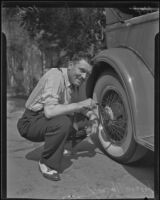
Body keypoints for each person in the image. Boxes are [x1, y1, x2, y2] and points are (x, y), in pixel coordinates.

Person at [17, 53, 99, 181]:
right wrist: (81, 104)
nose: (84, 77)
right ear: (71, 65)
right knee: (63, 122)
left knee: (87, 121)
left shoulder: (76, 82)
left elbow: (79, 107)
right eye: (82, 70)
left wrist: (92, 116)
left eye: (87, 74)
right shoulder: (56, 76)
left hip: (46, 119)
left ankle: (63, 145)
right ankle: (47, 163)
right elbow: (49, 111)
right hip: (30, 122)